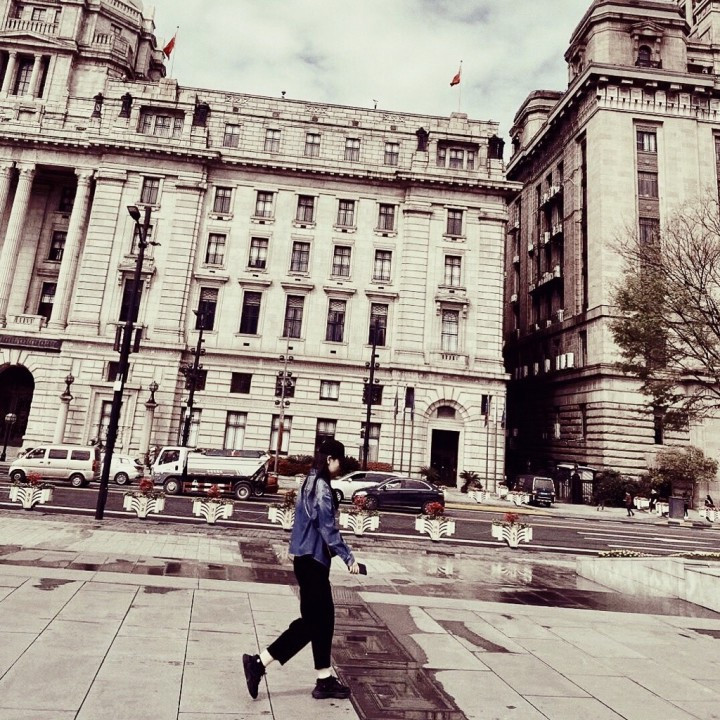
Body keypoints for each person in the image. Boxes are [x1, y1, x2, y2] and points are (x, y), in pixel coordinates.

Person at [243, 439, 360, 701]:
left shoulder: (308, 481)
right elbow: (327, 528)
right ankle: (258, 663)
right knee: (313, 622)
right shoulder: (322, 488)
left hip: (304, 559)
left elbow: (307, 522)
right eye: (339, 462)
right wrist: (348, 558)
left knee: (322, 620)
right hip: (313, 560)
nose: (340, 468)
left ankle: (324, 679)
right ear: (330, 459)